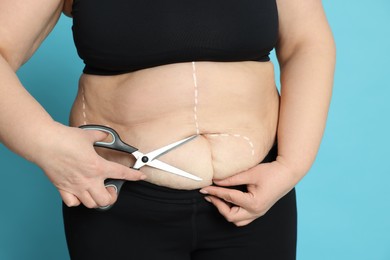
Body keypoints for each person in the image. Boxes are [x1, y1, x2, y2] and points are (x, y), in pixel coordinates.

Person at [0, 0, 335, 259]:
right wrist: (44, 142)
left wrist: (291, 164)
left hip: (255, 199)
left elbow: (306, 42)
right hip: (118, 202)